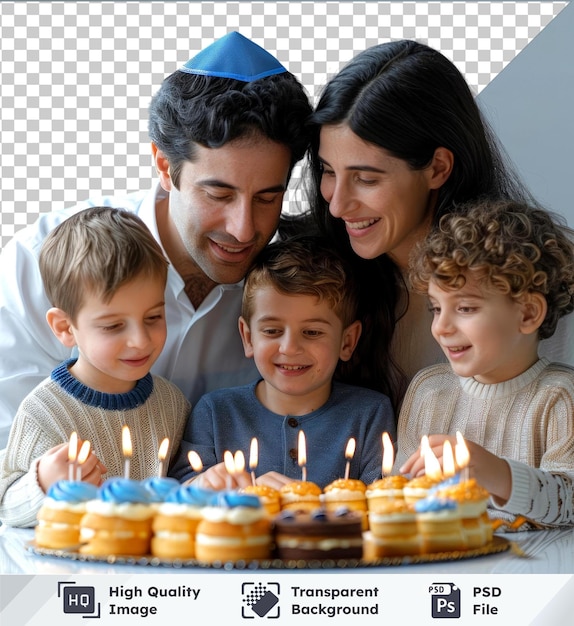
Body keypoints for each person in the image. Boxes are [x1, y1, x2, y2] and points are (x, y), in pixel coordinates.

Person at [0, 32, 313, 449]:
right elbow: (11, 460)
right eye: (218, 194)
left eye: (268, 197)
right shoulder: (40, 264)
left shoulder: (297, 284)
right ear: (165, 165)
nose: (243, 229)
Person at [299, 38, 573, 412]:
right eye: (329, 172)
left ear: (438, 168)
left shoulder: (541, 276)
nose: (337, 205)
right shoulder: (319, 279)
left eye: (366, 179)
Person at [0, 207, 191, 527]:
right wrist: (43, 482)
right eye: (114, 326)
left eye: (154, 318)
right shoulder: (43, 412)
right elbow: (6, 507)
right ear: (64, 327)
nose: (140, 341)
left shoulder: (172, 404)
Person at [395, 198, 574, 528]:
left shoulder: (560, 396)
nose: (441, 327)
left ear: (528, 313)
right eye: (436, 308)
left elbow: (569, 504)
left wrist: (496, 472)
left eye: (465, 308)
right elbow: (401, 495)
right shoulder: (428, 391)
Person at [169, 236, 396, 490]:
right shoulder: (215, 413)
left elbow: (383, 500)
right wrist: (229, 490)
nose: (289, 348)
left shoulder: (370, 413)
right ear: (247, 337)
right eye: (272, 331)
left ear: (347, 342)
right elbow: (181, 495)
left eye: (312, 333)